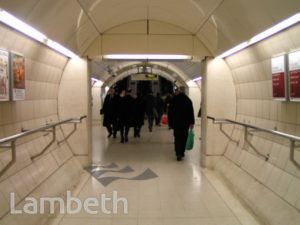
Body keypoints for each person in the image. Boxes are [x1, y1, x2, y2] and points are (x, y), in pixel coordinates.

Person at [168, 86, 194, 161]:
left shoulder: (174, 100)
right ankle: (182, 151)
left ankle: (178, 153)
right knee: (184, 137)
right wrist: (191, 122)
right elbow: (191, 112)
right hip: (185, 123)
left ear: (178, 92)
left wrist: (170, 122)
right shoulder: (188, 100)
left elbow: (170, 113)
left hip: (176, 123)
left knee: (177, 138)